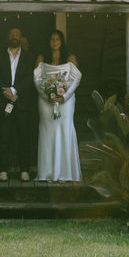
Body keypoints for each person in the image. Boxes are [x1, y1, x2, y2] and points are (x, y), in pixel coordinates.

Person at [34, 30, 82, 182]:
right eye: (52, 39)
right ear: (48, 42)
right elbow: (37, 79)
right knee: (48, 133)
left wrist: (64, 96)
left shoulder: (70, 58)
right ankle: (47, 173)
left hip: (65, 102)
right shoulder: (42, 58)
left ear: (61, 41)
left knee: (64, 131)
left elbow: (76, 79)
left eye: (57, 39)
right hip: (46, 101)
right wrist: (46, 95)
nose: (54, 42)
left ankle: (64, 174)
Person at [0, 27, 36, 182]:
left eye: (17, 34)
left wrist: (15, 90)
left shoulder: (28, 57)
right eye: (11, 34)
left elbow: (30, 77)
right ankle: (3, 170)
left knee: (24, 137)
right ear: (8, 37)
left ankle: (24, 170)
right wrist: (3, 91)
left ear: (21, 38)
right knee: (4, 136)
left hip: (22, 102)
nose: (14, 37)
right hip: (3, 101)